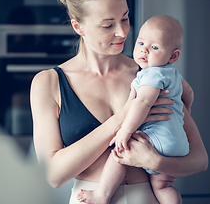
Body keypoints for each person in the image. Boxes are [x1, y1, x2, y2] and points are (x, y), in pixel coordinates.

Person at [30, 0, 208, 204]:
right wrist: (122, 118)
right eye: (107, 25)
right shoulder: (49, 83)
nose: (122, 32)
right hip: (90, 198)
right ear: (78, 27)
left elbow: (199, 159)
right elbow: (53, 175)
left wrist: (155, 162)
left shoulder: (150, 74)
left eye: (124, 18)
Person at [77, 15, 189, 204]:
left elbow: (143, 102)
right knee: (163, 186)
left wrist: (125, 131)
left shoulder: (152, 75)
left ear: (173, 56)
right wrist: (187, 111)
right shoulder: (173, 73)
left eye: (154, 47)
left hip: (157, 141)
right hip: (177, 142)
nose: (144, 50)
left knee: (118, 155)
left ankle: (101, 195)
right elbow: (190, 93)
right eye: (141, 42)